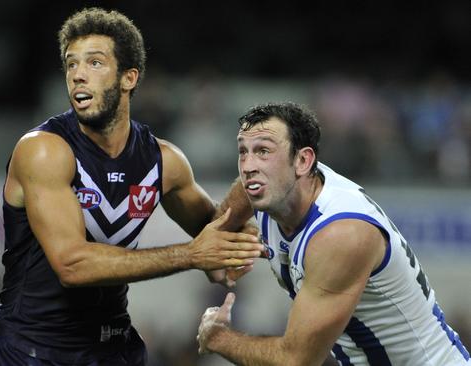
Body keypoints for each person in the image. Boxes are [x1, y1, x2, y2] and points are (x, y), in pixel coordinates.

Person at [0, 7, 262, 366]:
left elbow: (216, 241)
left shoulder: (165, 161)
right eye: (71, 65)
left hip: (114, 348)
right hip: (34, 350)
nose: (78, 75)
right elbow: (73, 265)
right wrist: (193, 255)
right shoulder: (43, 150)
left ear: (129, 77)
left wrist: (249, 198)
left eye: (94, 63)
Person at [196, 102, 471, 365]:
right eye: (243, 151)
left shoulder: (342, 234)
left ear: (303, 161)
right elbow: (220, 225)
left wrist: (218, 337)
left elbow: (295, 360)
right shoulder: (267, 187)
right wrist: (218, 260)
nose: (248, 166)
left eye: (264, 151)